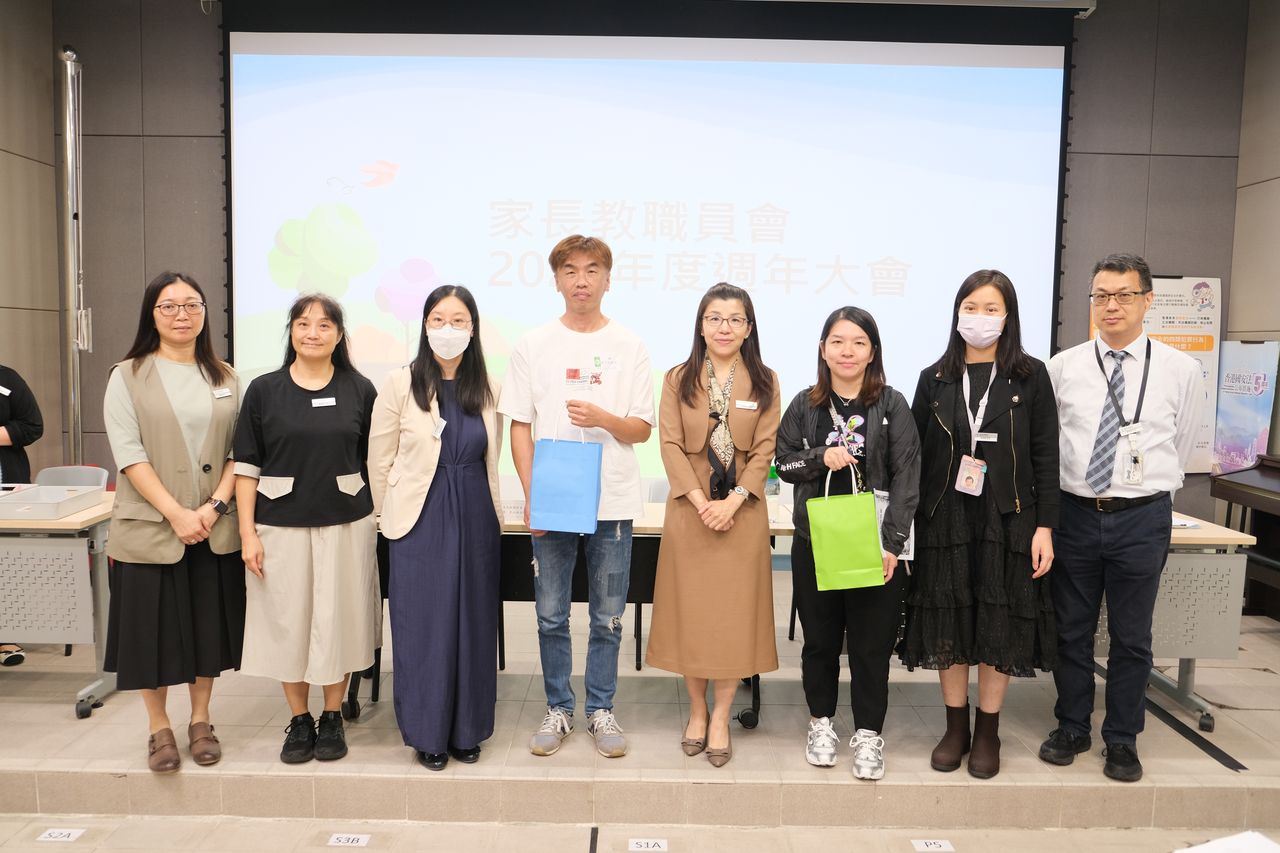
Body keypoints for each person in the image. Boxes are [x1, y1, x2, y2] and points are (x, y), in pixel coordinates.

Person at [1041, 253, 1203, 783]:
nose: (1111, 305)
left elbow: (1181, 444)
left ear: (1147, 300)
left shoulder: (1180, 369)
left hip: (1141, 516)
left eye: (1124, 295)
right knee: (1072, 630)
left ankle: (1122, 738)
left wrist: (1144, 489)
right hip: (1075, 513)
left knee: (1132, 637)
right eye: (1101, 295)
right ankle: (1072, 726)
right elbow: (1050, 446)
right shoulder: (1062, 367)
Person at [898, 270, 1060, 779]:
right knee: (948, 619)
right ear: (957, 313)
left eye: (991, 309)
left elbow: (1046, 456)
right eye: (971, 307)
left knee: (997, 623)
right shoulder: (934, 377)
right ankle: (955, 727)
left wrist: (1045, 527)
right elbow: (915, 455)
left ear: (1008, 317)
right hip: (944, 516)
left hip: (1008, 518)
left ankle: (988, 730)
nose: (980, 317)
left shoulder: (1030, 376)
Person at [498, 234, 655, 759]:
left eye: (591, 270)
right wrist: (532, 495)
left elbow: (641, 430)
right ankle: (559, 707)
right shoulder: (533, 344)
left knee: (608, 615)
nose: (581, 280)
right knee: (550, 614)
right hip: (554, 500)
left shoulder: (629, 345)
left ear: (608, 279)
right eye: (570, 270)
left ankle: (601, 709)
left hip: (612, 501)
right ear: (557, 280)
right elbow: (520, 426)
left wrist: (604, 418)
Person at [101, 271, 244, 773]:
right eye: (169, 306)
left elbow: (241, 452)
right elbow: (129, 454)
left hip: (212, 527)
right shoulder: (127, 375)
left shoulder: (226, 376)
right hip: (151, 528)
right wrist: (176, 513)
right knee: (150, 633)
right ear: (152, 314)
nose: (181, 315)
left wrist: (212, 508)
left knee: (207, 630)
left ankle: (200, 720)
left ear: (205, 312)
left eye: (191, 305)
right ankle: (158, 727)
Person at [233, 293, 380, 765]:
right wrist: (247, 534)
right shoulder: (264, 390)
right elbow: (246, 466)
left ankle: (332, 715)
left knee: (340, 620)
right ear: (291, 331)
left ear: (339, 335)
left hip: (346, 523)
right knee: (288, 622)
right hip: (279, 526)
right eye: (302, 323)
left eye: (323, 325)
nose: (312, 333)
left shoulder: (360, 389)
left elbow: (375, 459)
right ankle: (299, 719)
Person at [776, 306, 920, 780]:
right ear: (823, 349)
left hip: (874, 545)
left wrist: (892, 544)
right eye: (837, 341)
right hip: (816, 541)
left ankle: (868, 733)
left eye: (858, 342)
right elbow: (783, 464)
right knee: (819, 641)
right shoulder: (805, 404)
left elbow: (907, 478)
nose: (847, 351)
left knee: (870, 645)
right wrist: (821, 456)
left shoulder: (892, 405)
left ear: (872, 351)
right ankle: (820, 723)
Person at [646, 283, 781, 768]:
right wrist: (704, 503)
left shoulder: (765, 380)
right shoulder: (677, 378)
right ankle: (697, 711)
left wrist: (735, 501)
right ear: (701, 326)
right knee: (694, 617)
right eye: (714, 318)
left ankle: (722, 716)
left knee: (732, 620)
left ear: (748, 329)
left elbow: (765, 449)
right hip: (691, 511)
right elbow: (669, 445)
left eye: (735, 319)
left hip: (742, 515)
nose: (724, 327)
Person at [369, 285, 504, 771]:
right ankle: (427, 734)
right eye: (439, 320)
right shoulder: (399, 383)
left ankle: (467, 731)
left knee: (473, 622)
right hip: (418, 517)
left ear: (473, 328)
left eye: (459, 320)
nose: (449, 329)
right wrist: (386, 516)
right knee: (424, 625)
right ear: (425, 326)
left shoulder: (487, 386)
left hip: (475, 511)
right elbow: (379, 459)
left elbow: (492, 457)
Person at [0, 361, 44, 666]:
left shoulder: (6, 378)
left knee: (4, 563)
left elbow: (32, 426)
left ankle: (5, 636)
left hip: (6, 488)